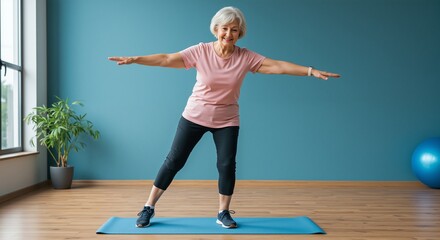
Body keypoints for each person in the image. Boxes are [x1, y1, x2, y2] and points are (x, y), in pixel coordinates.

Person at [109, 6, 340, 229]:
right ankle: (148, 207)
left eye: (234, 30)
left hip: (227, 119)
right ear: (216, 29)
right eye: (225, 29)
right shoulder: (201, 51)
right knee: (174, 161)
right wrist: (136, 59)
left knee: (227, 165)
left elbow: (277, 65)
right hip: (194, 115)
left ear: (240, 33)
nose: (229, 34)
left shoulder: (245, 57)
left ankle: (223, 212)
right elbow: (167, 59)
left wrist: (311, 71)